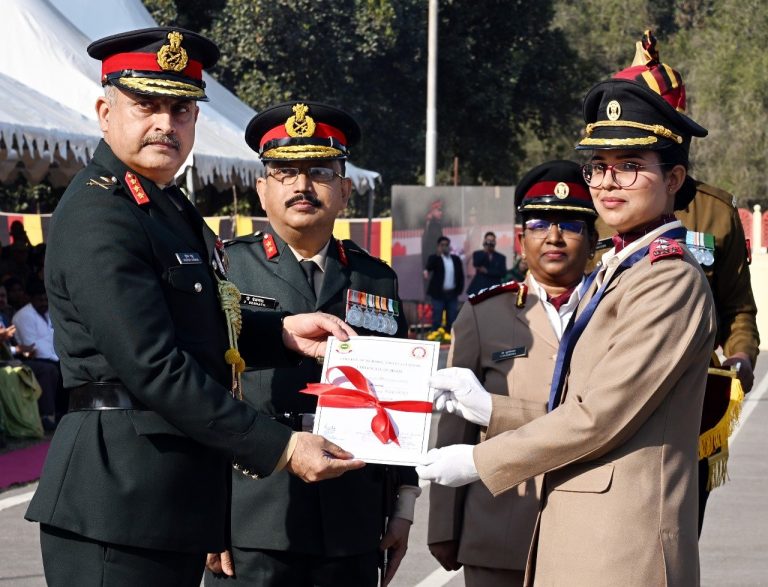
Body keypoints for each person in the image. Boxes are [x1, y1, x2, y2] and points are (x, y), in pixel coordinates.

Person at [24, 27, 364, 587]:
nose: (166, 123)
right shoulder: (101, 213)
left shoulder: (164, 206)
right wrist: (279, 446)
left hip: (163, 499)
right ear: (105, 111)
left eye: (181, 109)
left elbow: (199, 321)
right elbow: (154, 364)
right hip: (116, 501)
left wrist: (278, 332)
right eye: (147, 105)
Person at [418, 76, 717, 585]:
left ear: (673, 179)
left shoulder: (667, 279)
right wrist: (492, 408)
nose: (607, 183)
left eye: (629, 168)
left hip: (622, 551)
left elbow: (601, 416)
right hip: (585, 542)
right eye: (597, 168)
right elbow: (585, 403)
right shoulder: (621, 268)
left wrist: (478, 458)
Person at [203, 101, 418, 587]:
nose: (302, 186)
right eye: (284, 172)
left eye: (319, 172)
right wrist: (206, 514)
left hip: (352, 513)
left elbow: (399, 399)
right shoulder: (226, 270)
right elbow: (198, 392)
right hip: (251, 512)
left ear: (345, 189)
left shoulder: (374, 278)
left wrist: (402, 504)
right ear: (262, 189)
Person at [603, 32, 760, 532]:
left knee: (674, 539)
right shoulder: (595, 204)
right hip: (603, 397)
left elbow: (738, 307)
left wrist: (741, 358)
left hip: (690, 405)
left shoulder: (714, 212)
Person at [428, 161, 597, 586]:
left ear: (593, 240)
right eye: (540, 223)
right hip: (499, 525)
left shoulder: (615, 309)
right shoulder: (484, 313)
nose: (554, 237)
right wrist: (444, 527)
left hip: (592, 531)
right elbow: (454, 423)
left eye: (571, 225)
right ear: (521, 241)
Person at [424, 236, 464, 333]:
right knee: (437, 318)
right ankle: (436, 338)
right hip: (438, 294)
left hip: (452, 294)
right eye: (442, 245)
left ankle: (450, 339)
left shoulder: (455, 259)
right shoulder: (435, 258)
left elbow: (460, 275)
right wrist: (438, 254)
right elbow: (429, 266)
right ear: (438, 246)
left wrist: (459, 290)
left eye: (446, 245)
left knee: (452, 319)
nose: (445, 247)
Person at [465, 231, 507, 296]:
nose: (489, 243)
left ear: (495, 242)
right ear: (484, 241)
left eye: (492, 240)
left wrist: (487, 271)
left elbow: (503, 273)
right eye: (488, 240)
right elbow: (476, 264)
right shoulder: (477, 254)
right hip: (479, 289)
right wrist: (485, 251)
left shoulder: (501, 257)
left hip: (494, 289)